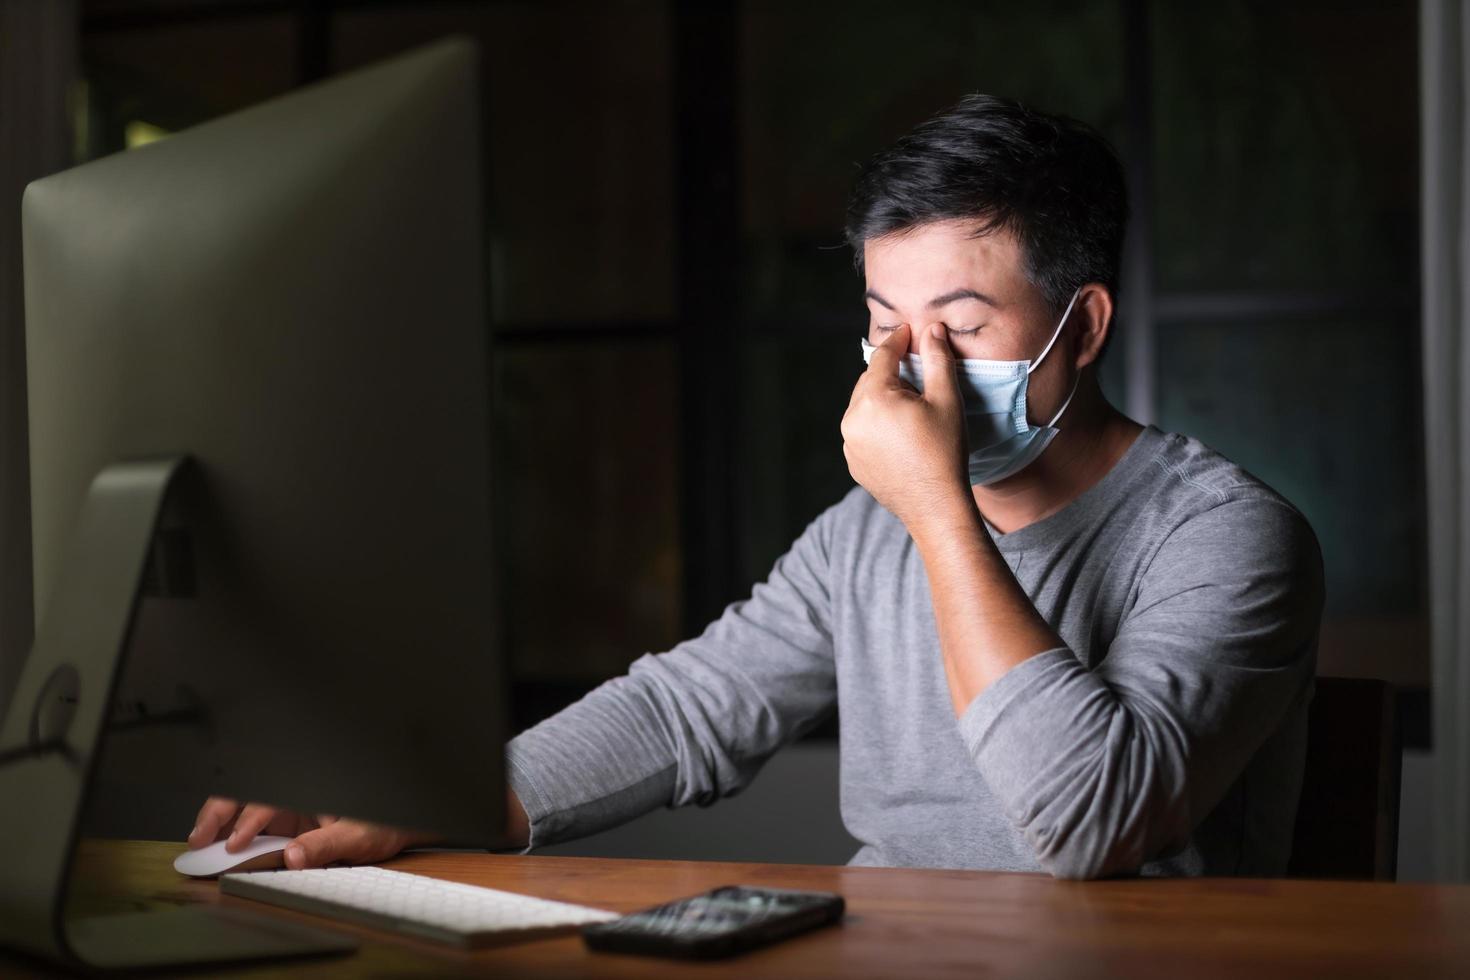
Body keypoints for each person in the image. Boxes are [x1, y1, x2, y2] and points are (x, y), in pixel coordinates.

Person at [189, 95, 1323, 879]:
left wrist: (936, 508)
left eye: (962, 328)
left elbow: (1090, 819)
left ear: (1081, 328)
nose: (910, 374)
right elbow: (685, 708)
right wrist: (430, 798)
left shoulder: (1228, 535)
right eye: (884, 329)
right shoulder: (860, 533)